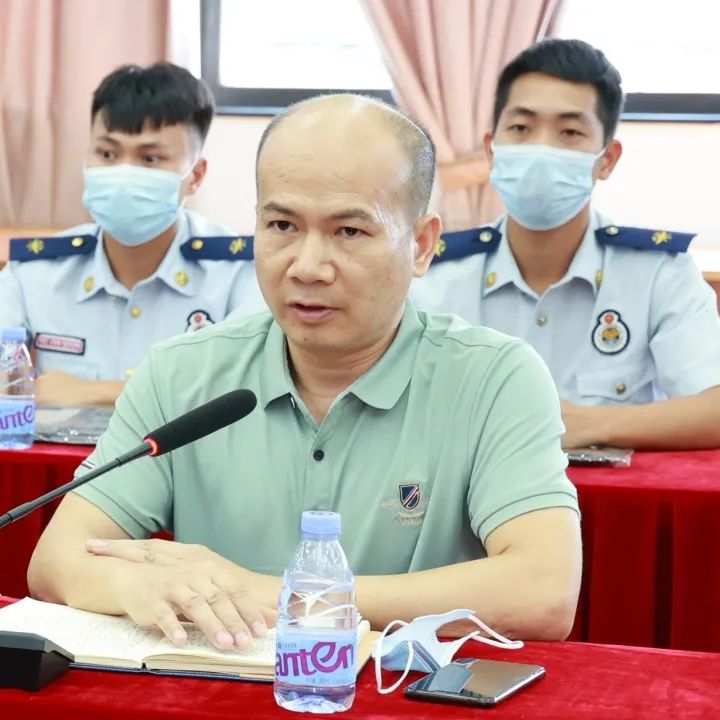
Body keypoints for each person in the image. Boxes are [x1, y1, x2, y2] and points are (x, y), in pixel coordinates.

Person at [28, 94, 581, 652]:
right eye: (282, 225)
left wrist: (276, 595)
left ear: (421, 245)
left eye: (349, 232)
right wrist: (136, 583)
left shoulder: (495, 379)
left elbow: (543, 592)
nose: (308, 267)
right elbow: (55, 562)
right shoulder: (181, 374)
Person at [411, 39, 720, 451]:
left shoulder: (658, 272)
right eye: (521, 128)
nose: (542, 148)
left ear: (607, 159)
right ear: (491, 149)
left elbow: (713, 409)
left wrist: (587, 424)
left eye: (570, 132)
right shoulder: (430, 275)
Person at [0, 62, 266, 408]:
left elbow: (244, 390)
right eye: (107, 154)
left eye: (150, 158)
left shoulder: (241, 274)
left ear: (196, 175)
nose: (123, 173)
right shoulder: (33, 271)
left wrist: (91, 392)